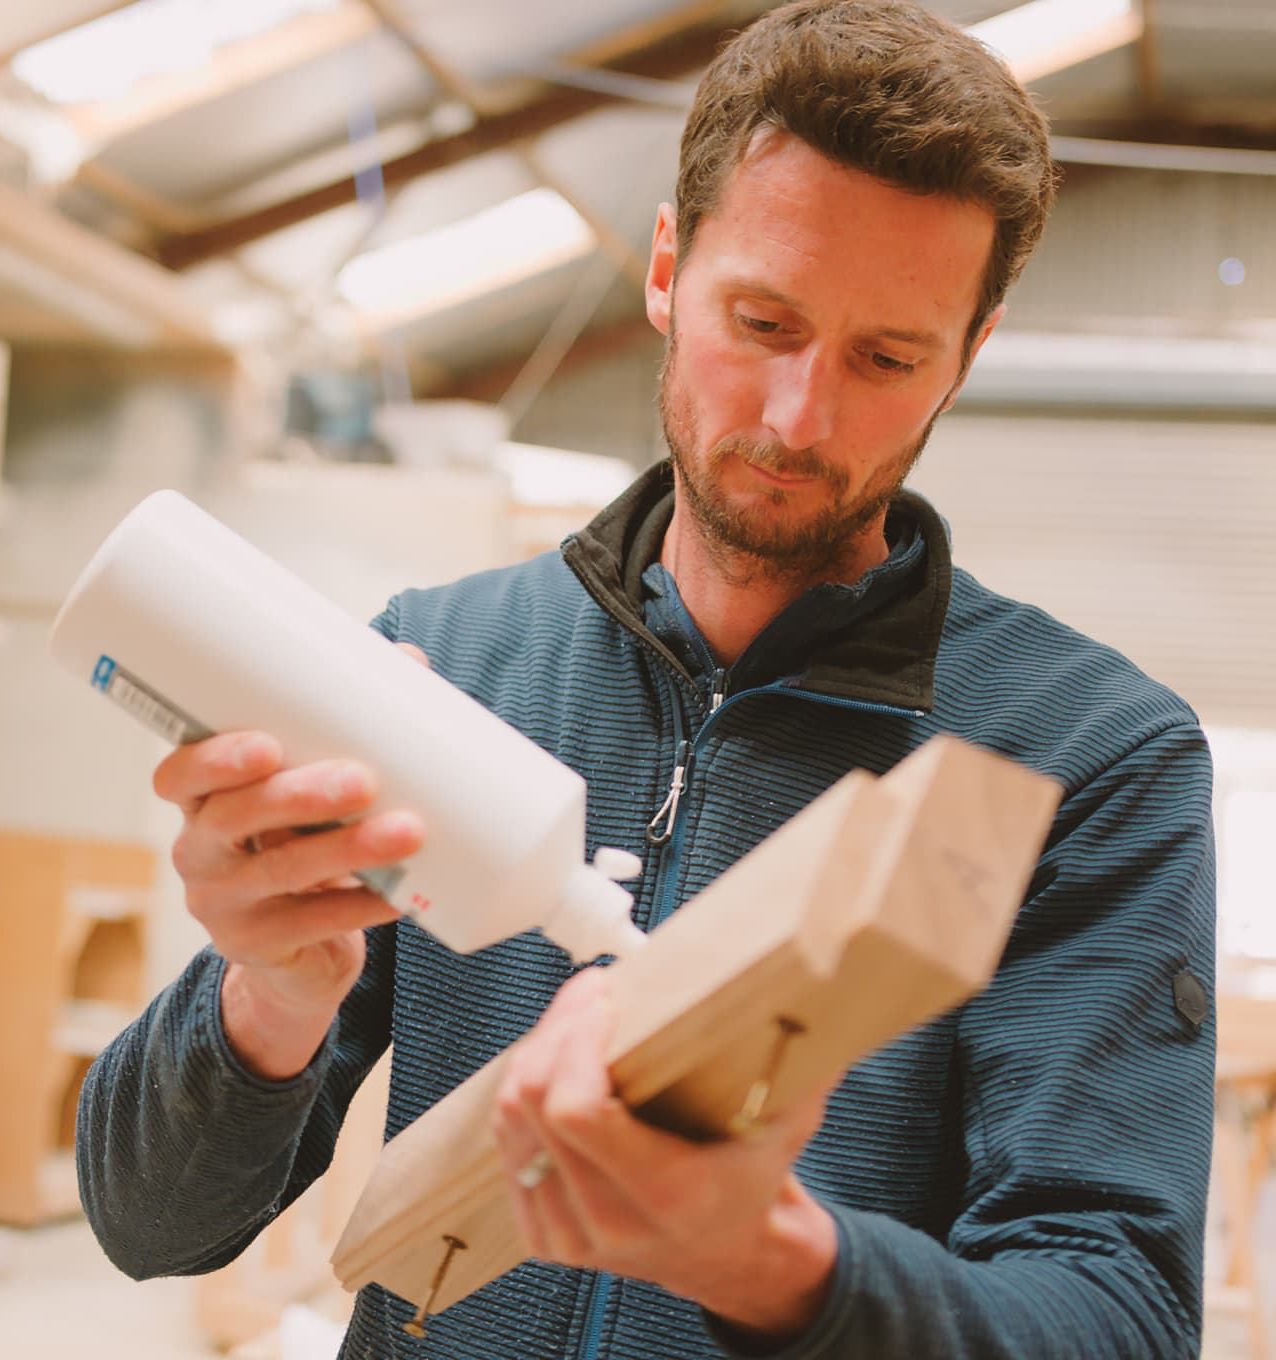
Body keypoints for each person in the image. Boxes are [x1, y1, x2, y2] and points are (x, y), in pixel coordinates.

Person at [76, 2, 1216, 1357]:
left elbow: (1118, 1316)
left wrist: (784, 1266)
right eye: (764, 319)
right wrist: (261, 1001)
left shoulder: (1085, 759)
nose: (801, 416)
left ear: (967, 353)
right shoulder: (445, 670)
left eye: (887, 358)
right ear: (668, 267)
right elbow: (149, 1228)